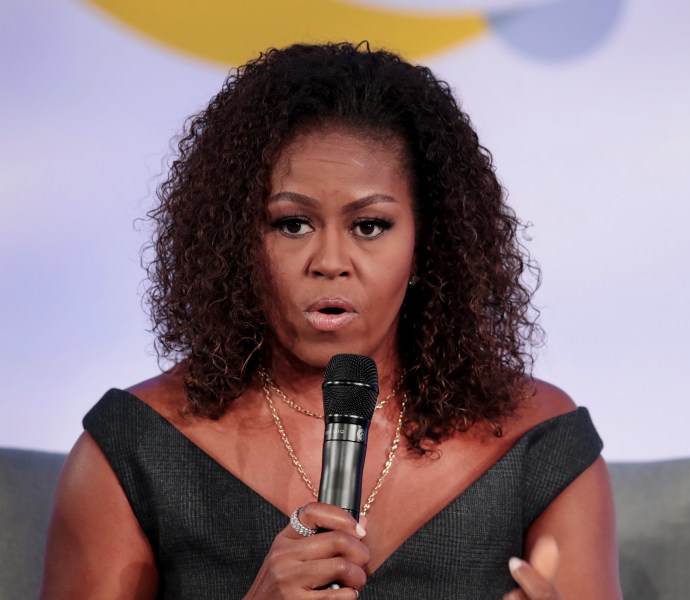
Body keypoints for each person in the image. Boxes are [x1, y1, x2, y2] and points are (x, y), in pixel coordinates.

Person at [41, 42, 621, 599]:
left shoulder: (535, 440)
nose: (330, 263)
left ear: (427, 245)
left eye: (369, 226)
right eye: (292, 224)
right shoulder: (138, 450)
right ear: (237, 240)